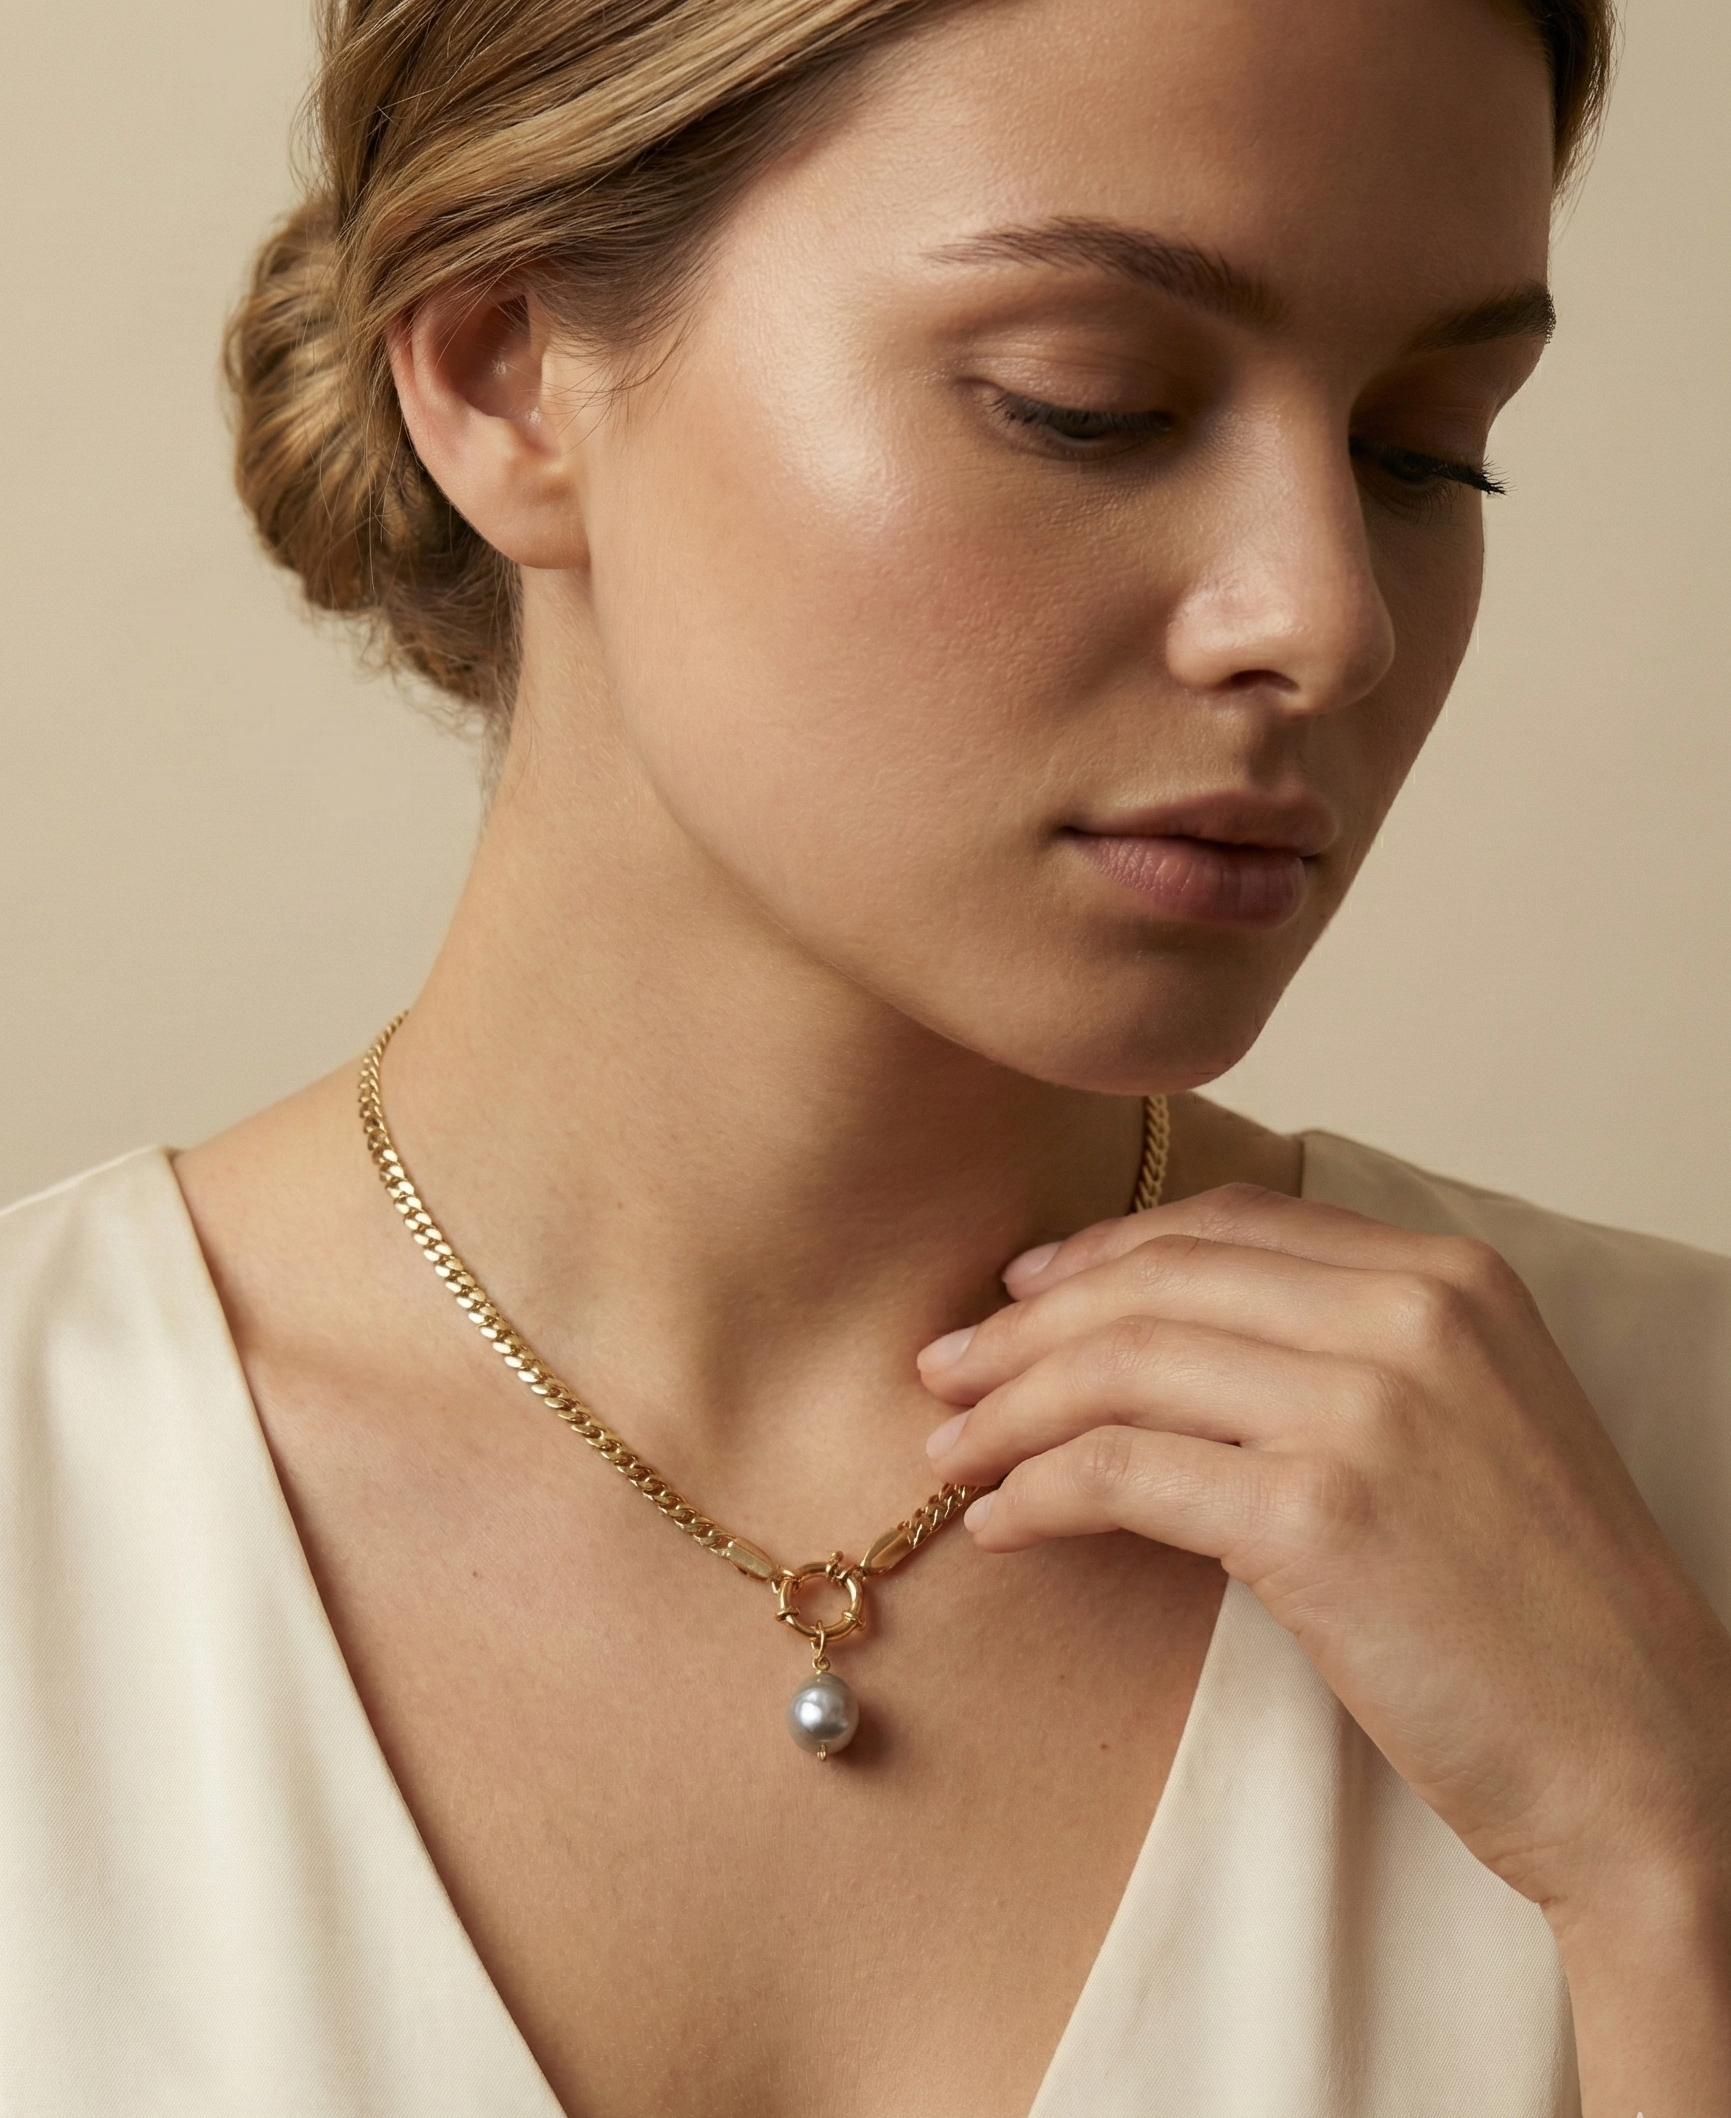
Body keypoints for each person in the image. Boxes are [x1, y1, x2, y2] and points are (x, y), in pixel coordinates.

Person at [1, 0, 1726, 2110]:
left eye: (1423, 448)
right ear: (504, 381)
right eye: (1083, 403)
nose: (1322, 613)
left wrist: (1666, 1862)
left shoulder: (1671, 1492)